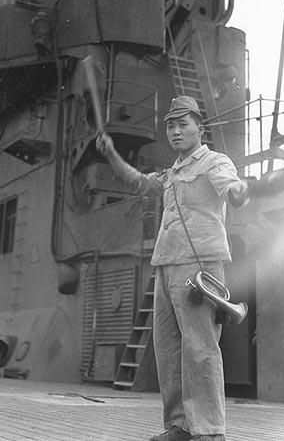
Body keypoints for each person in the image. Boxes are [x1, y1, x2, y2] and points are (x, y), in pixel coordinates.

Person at [96, 95, 249, 441]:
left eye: (183, 124)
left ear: (200, 128)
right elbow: (139, 182)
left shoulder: (214, 162)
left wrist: (238, 192)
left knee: (200, 348)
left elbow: (230, 186)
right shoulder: (172, 172)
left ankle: (209, 431)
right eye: (171, 126)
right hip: (166, 264)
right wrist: (112, 154)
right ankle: (180, 426)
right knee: (168, 350)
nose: (176, 131)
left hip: (198, 268)